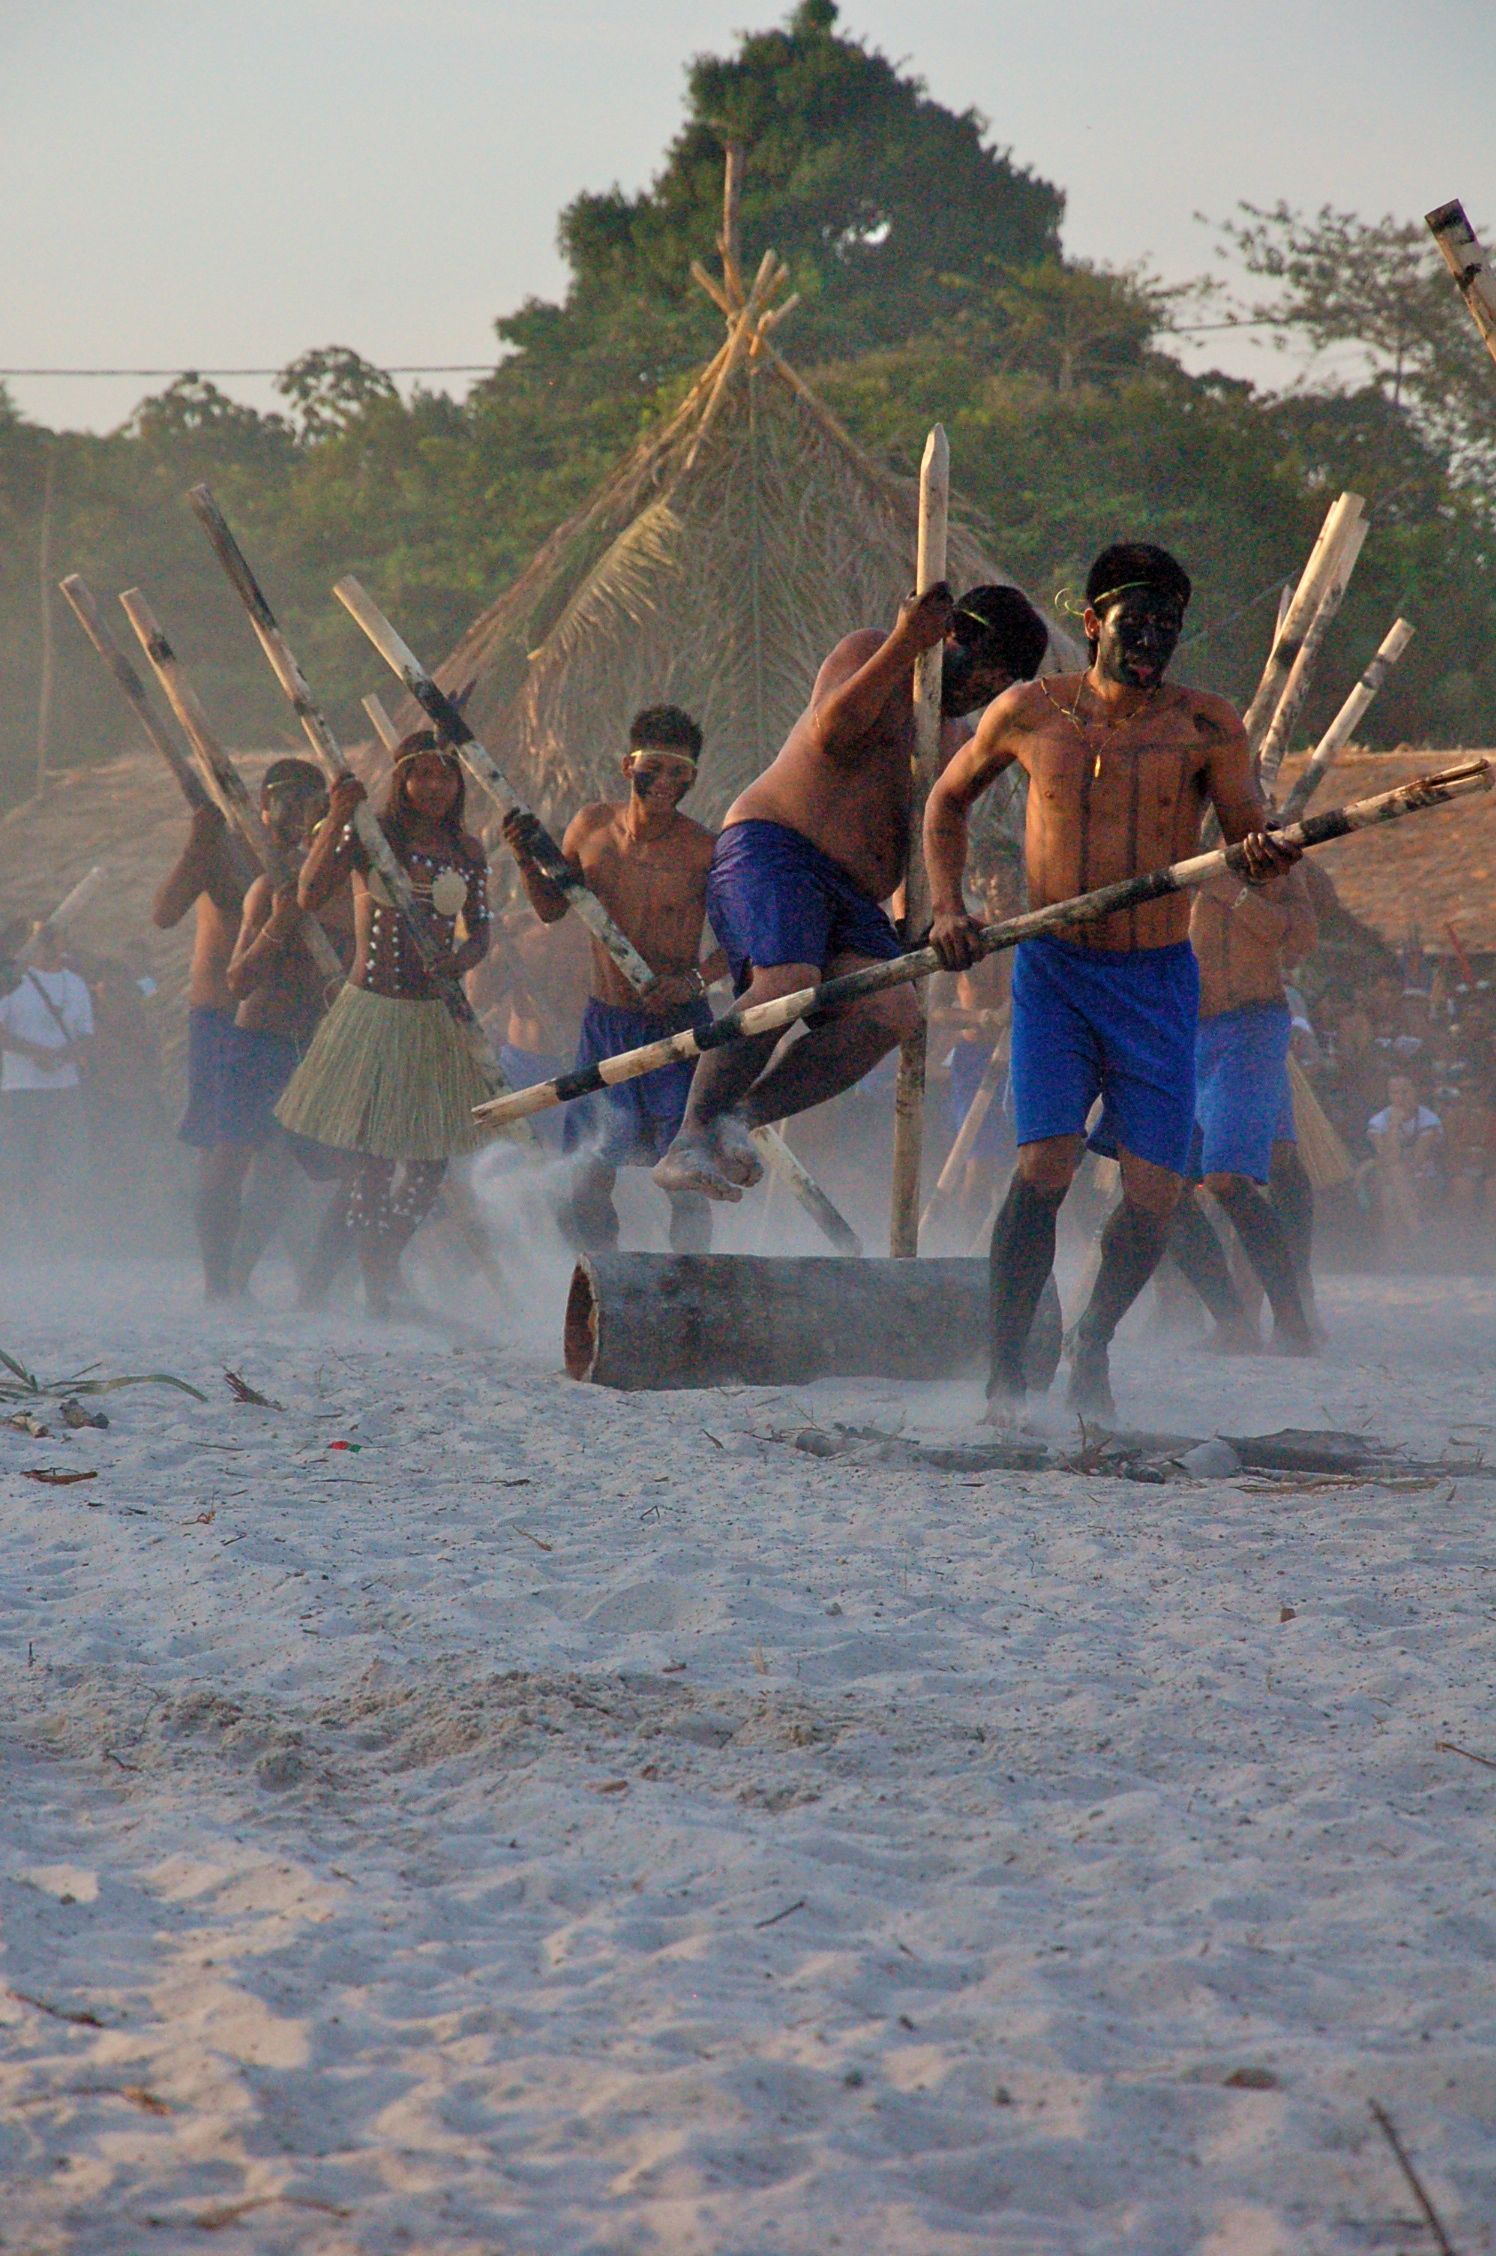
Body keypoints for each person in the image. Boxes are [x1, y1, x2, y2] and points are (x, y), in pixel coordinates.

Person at [925, 540, 1298, 1419]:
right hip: (1056, 973)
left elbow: (1253, 844)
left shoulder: (1210, 726)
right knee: (1045, 1164)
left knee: (1154, 1191)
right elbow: (946, 801)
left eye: (1168, 628)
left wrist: (1264, 852)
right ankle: (1004, 1372)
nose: (1151, 644)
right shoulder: (1028, 711)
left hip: (1159, 978)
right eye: (1135, 624)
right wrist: (946, 909)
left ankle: (1091, 1341)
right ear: (1092, 624)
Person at [654, 586, 1051, 1203]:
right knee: (786, 982)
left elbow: (932, 829)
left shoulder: (950, 741)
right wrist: (904, 644)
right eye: (981, 673)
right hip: (776, 849)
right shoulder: (872, 652)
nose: (978, 693)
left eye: (995, 687)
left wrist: (932, 913)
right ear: (955, 641)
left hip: (854, 898)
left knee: (892, 1014)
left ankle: (740, 1118)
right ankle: (690, 1135)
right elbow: (832, 732)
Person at [276, 731, 493, 1316]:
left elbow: (482, 935)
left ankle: (385, 1266)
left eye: (444, 776)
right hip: (370, 1010)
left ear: (459, 784)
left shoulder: (467, 852)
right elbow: (310, 889)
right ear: (399, 780)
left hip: (432, 1018)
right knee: (370, 1164)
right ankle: (363, 1291)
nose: (433, 787)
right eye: (420, 775)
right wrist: (341, 816)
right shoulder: (372, 838)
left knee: (429, 1164)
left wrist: (460, 961)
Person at [503, 706, 727, 1252]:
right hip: (607, 1023)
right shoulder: (591, 828)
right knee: (590, 1173)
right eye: (658, 768)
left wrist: (694, 983)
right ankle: (606, 1279)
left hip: (679, 1029)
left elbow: (741, 941)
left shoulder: (703, 850)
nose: (668, 784)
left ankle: (690, 1282)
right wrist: (525, 860)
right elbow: (553, 909)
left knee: (687, 1175)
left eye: (682, 774)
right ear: (629, 766)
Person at [1166, 864, 1319, 1353]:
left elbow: (1303, 940)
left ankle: (1293, 1320)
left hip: (1251, 1028)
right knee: (1161, 1186)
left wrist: (1234, 892)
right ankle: (1232, 1320)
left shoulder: (1279, 867)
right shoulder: (1175, 855)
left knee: (1231, 1178)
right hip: (1185, 1033)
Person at [215, 761, 353, 1298]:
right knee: (245, 1164)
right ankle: (227, 1281)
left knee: (343, 1167)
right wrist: (280, 921)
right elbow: (238, 980)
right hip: (260, 1039)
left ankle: (317, 1283)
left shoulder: (358, 887)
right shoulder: (270, 886)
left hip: (317, 1047)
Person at [151, 797, 251, 1293]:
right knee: (224, 1150)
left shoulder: (319, 857)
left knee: (294, 1160)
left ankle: (252, 1274)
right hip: (222, 1017)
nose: (299, 815)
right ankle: (219, 1281)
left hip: (288, 1022)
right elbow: (164, 912)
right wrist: (198, 841)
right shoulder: (224, 855)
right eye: (286, 802)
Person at [0, 919, 93, 1246]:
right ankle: (14, 1236)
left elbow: (86, 1034)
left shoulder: (75, 984)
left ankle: (55, 1237)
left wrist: (66, 1054)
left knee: (62, 1165)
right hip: (21, 1089)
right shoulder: (11, 982)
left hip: (64, 1089)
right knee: (17, 1164)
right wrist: (38, 1053)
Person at [1366, 1071, 1443, 1260]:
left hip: (1424, 1175)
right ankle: (1415, 1232)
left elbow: (1417, 1160)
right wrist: (1392, 1126)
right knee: (1390, 1187)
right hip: (1392, 1178)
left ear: (1415, 1092)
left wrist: (1395, 1165)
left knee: (1392, 1190)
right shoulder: (1378, 1122)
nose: (1400, 1098)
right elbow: (1387, 1158)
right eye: (1395, 1093)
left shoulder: (1428, 1120)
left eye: (1405, 1092)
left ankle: (1399, 1255)